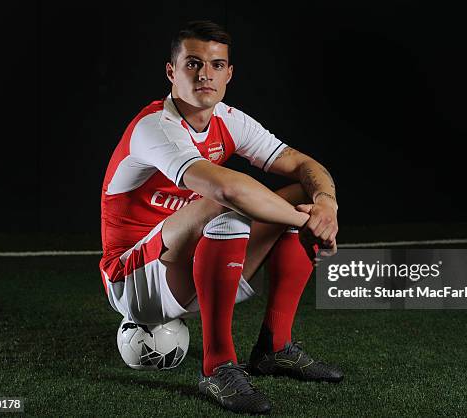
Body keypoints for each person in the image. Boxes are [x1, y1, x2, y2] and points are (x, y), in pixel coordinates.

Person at [99, 20, 343, 414]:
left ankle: (275, 347)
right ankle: (217, 366)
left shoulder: (230, 120)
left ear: (229, 73)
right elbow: (227, 190)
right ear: (171, 71)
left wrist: (326, 205)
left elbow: (302, 164)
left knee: (302, 193)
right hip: (132, 278)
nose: (204, 74)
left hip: (195, 266)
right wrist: (308, 222)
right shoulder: (153, 127)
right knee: (227, 201)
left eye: (216, 65)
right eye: (193, 63)